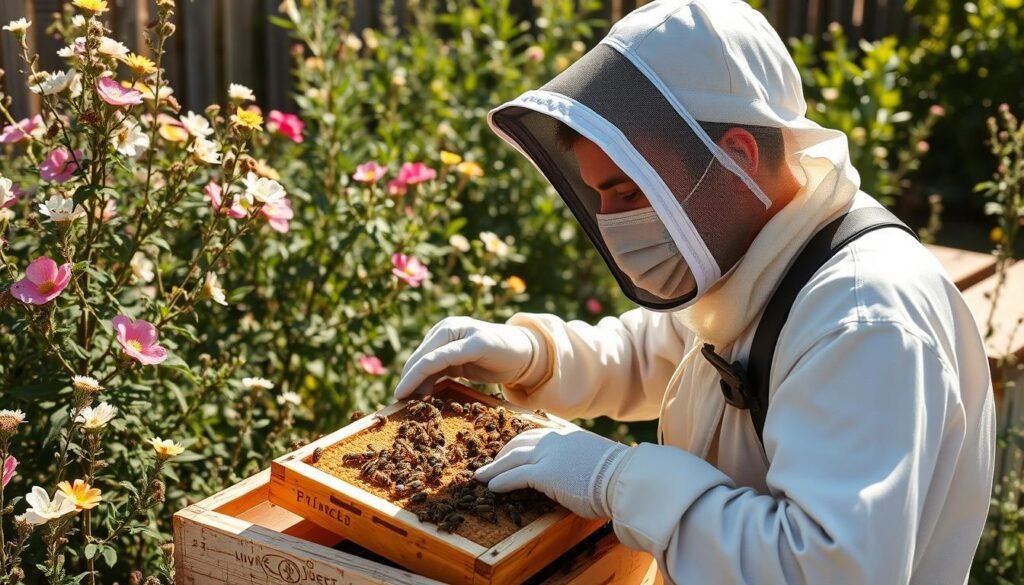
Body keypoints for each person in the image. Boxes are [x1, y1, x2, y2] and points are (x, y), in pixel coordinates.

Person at [394, 1, 996, 583]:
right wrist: (537, 354)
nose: (610, 219)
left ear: (734, 157)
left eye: (629, 192)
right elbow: (670, 349)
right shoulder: (766, 250)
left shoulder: (863, 324)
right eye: (600, 194)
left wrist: (619, 479)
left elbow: (821, 571)